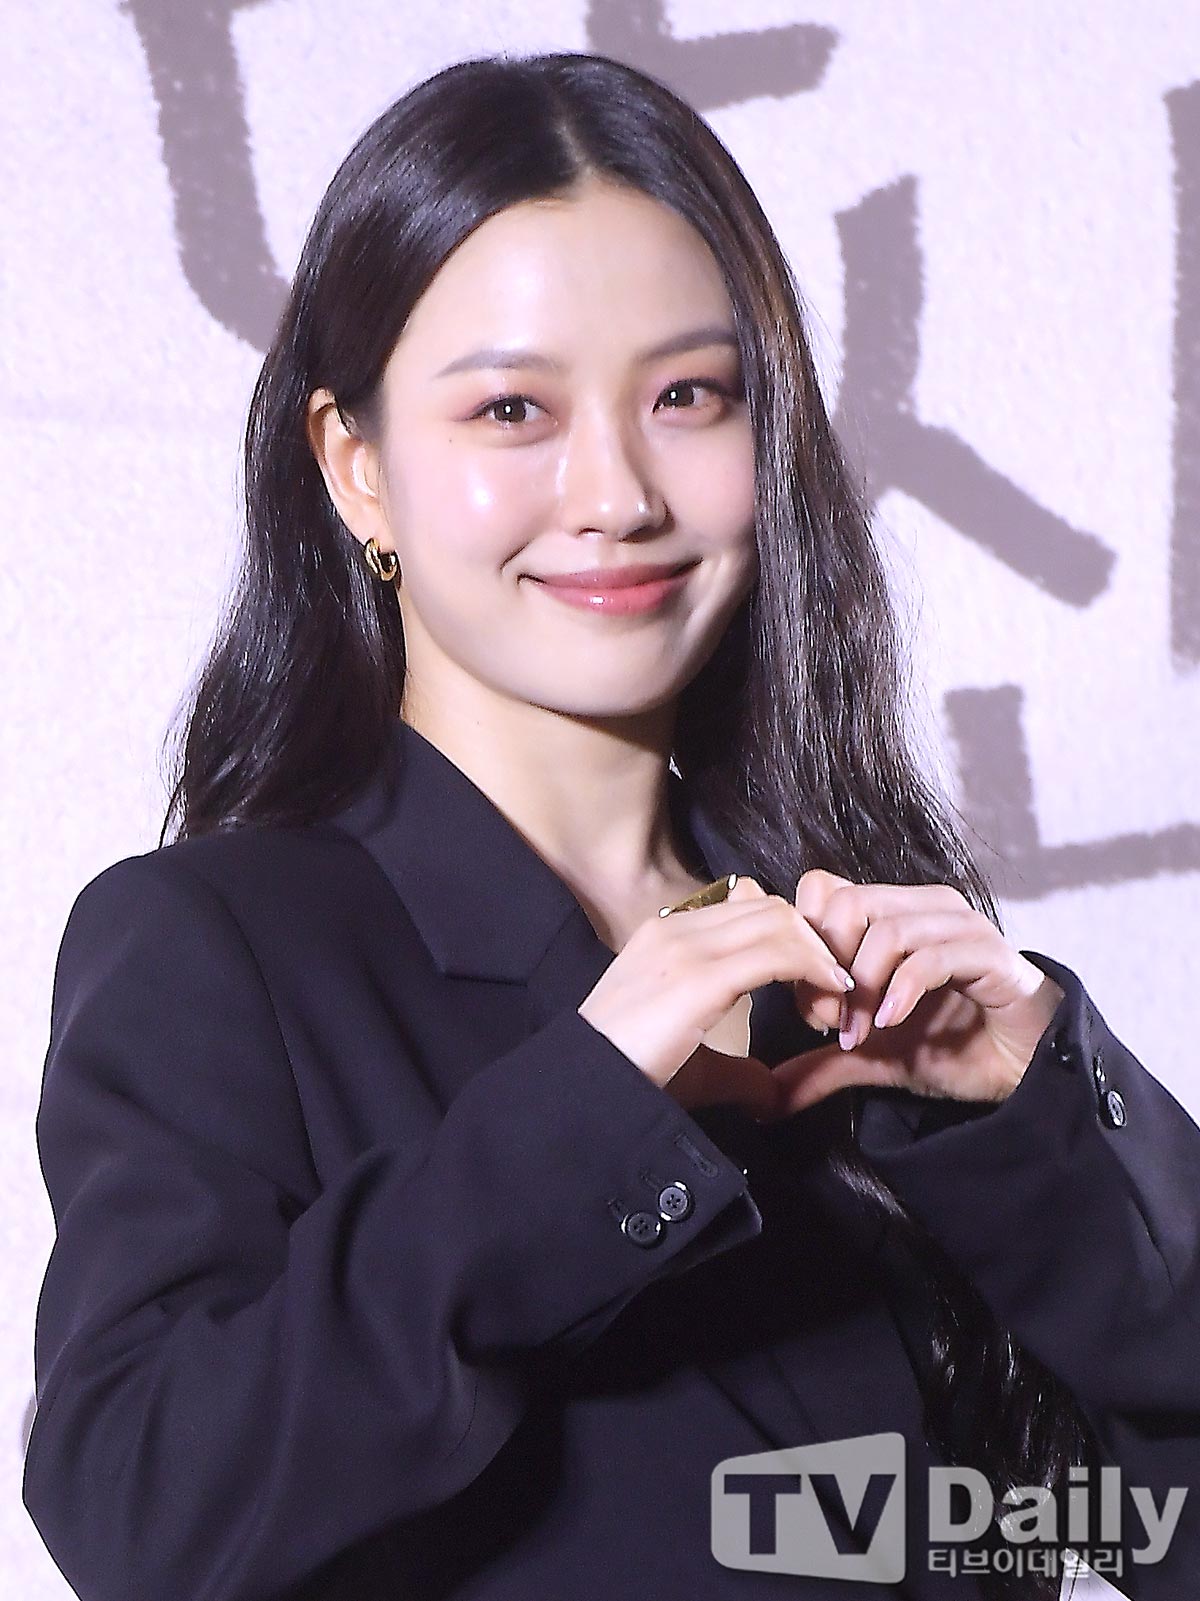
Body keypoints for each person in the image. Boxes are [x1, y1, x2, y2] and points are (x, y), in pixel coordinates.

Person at [22, 49, 1200, 1601]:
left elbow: (1130, 1531)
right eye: (513, 408)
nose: (619, 492)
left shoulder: (867, 969)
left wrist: (1045, 1115)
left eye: (687, 396)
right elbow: (142, 1508)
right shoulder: (223, 946)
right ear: (357, 468)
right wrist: (586, 1105)